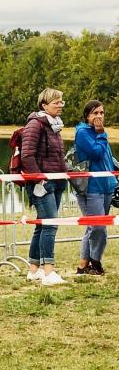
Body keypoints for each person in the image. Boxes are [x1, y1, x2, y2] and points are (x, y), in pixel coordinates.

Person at [22, 88, 68, 287]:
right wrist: (40, 180)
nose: (60, 105)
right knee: (50, 224)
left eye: (61, 102)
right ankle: (48, 272)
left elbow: (57, 156)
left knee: (42, 225)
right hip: (42, 184)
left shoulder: (55, 126)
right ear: (44, 105)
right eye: (56, 102)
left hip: (57, 181)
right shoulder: (35, 124)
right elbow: (27, 155)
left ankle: (34, 270)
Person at [74, 100, 117, 275]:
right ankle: (95, 261)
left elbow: (107, 158)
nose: (99, 116)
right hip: (91, 188)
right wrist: (101, 134)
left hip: (107, 186)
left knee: (93, 226)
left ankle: (83, 266)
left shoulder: (100, 133)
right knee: (98, 227)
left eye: (101, 113)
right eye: (95, 113)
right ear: (87, 116)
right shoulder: (82, 133)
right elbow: (97, 153)